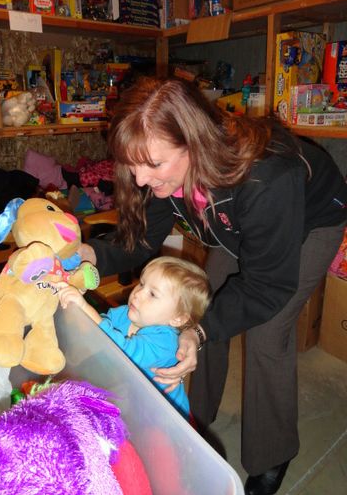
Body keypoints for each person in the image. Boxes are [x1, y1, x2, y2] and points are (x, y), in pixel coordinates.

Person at [78, 77, 347, 495]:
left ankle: (273, 453)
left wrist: (196, 332)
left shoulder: (267, 177)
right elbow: (143, 239)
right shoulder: (166, 166)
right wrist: (89, 256)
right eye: (133, 166)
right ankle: (193, 420)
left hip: (313, 219)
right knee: (204, 304)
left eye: (153, 165)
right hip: (245, 220)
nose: (141, 179)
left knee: (265, 331)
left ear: (193, 142)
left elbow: (266, 287)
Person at [58, 255, 211, 419]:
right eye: (142, 284)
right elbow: (97, 327)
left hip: (163, 415)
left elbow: (125, 351)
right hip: (131, 398)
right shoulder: (125, 313)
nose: (138, 294)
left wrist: (83, 305)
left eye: (152, 294)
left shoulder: (166, 342)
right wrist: (77, 309)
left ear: (178, 318)